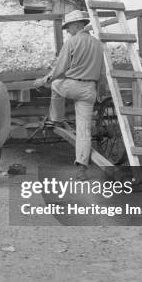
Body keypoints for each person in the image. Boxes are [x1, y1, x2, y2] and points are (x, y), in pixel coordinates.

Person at [33, 10, 105, 177]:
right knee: (84, 130)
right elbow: (102, 72)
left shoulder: (72, 42)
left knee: (55, 84)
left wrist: (43, 80)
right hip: (89, 90)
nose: (67, 30)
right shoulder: (98, 44)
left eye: (68, 27)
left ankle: (57, 119)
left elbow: (60, 69)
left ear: (77, 25)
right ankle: (82, 167)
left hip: (72, 86)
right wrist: (99, 92)